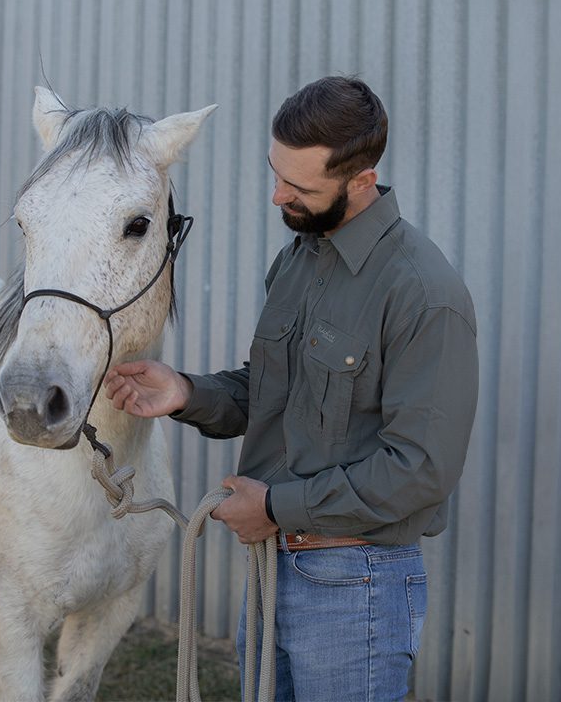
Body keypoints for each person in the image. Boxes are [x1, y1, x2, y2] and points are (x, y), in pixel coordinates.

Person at [104, 76, 478, 701]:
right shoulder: (300, 257)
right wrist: (185, 391)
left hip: (356, 584)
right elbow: (273, 395)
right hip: (277, 568)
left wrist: (275, 508)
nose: (278, 195)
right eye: (275, 172)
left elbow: (420, 470)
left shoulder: (424, 293)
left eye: (300, 187)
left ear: (362, 179)